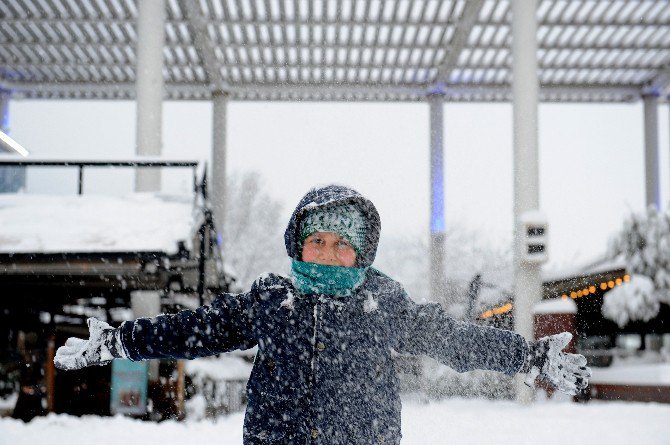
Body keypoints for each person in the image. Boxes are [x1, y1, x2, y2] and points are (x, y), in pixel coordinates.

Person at [55, 184, 591, 444]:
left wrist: (529, 357)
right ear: (298, 244)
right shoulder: (272, 299)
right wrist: (120, 341)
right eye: (319, 240)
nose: (332, 252)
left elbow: (452, 340)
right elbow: (200, 329)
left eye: (345, 243)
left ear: (363, 251)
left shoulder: (383, 303)